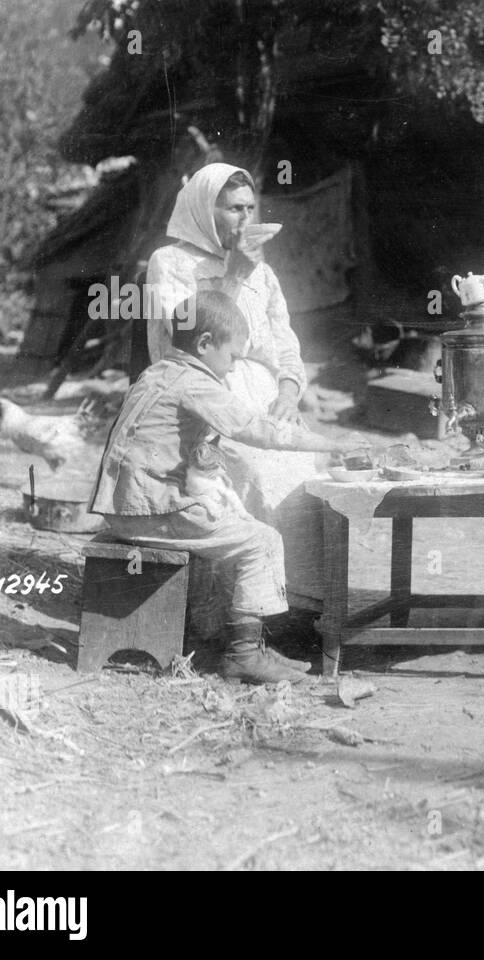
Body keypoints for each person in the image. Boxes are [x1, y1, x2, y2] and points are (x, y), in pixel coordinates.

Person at [91, 292, 362, 684]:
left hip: (127, 504)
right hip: (148, 511)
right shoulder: (196, 385)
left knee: (237, 520)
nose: (234, 367)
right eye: (233, 356)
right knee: (261, 539)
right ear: (204, 344)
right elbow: (258, 429)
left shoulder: (159, 373)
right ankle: (243, 655)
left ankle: (248, 642)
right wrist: (334, 443)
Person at [145, 162, 324, 638]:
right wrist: (233, 275)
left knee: (306, 476)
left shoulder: (261, 273)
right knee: (256, 473)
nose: (244, 220)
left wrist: (288, 389)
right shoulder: (171, 263)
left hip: (262, 399)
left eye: (250, 208)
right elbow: (188, 335)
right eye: (232, 209)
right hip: (199, 399)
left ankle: (299, 607)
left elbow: (283, 341)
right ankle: (243, 619)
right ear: (206, 210)